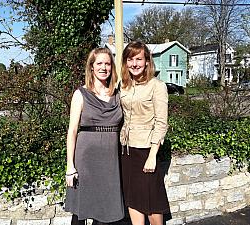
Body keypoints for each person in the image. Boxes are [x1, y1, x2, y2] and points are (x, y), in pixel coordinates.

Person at [65, 48, 124, 225]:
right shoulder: (80, 94)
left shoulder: (117, 94)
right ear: (91, 67)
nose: (104, 67)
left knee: (106, 208)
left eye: (107, 63)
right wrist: (70, 166)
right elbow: (72, 131)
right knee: (81, 210)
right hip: (86, 159)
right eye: (99, 63)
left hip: (111, 160)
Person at [120, 41, 171, 225]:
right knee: (133, 197)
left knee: (152, 200)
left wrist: (152, 155)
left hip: (146, 150)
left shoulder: (157, 86)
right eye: (130, 59)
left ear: (147, 61)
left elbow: (161, 122)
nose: (134, 63)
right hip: (126, 150)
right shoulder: (123, 85)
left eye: (139, 59)